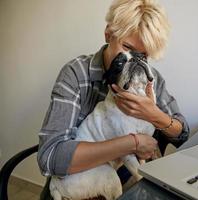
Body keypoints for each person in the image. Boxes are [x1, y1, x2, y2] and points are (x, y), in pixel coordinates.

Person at [37, 0, 189, 199]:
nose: (135, 61)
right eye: (126, 47)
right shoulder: (75, 73)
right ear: (108, 34)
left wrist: (154, 115)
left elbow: (182, 133)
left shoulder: (152, 79)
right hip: (76, 179)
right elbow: (50, 158)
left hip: (126, 180)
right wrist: (131, 144)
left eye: (143, 56)